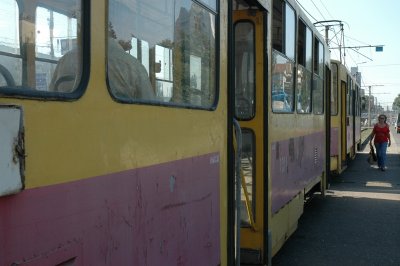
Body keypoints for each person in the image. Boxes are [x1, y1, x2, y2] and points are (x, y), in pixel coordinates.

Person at [50, 37, 155, 100]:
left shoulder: (64, 61)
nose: (131, 37)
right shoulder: (132, 66)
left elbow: (52, 97)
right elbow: (151, 110)